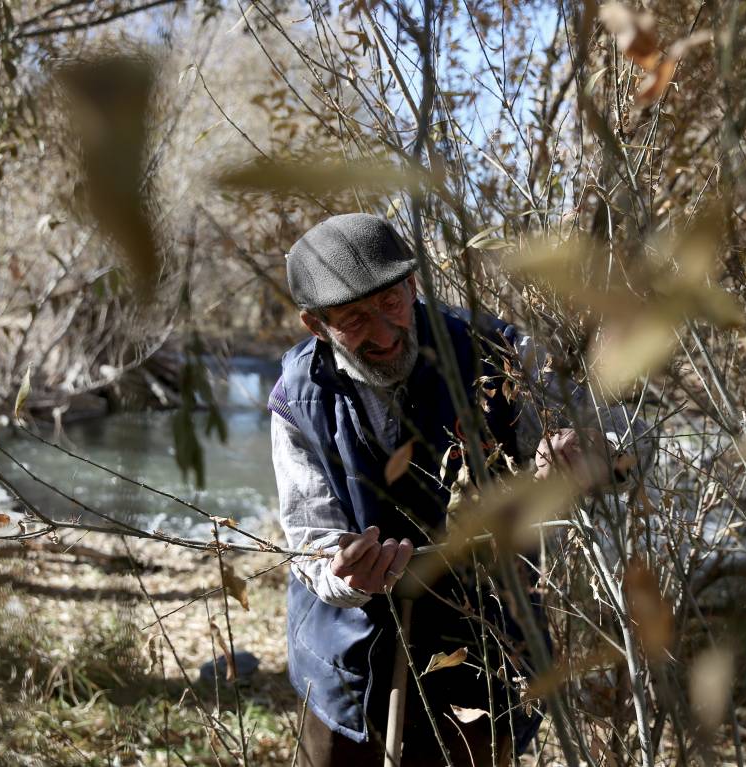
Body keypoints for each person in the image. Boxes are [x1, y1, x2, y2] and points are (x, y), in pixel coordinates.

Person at [269, 213, 647, 767]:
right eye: (353, 318)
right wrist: (344, 577)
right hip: (349, 655)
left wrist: (590, 450)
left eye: (390, 304)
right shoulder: (296, 398)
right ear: (315, 324)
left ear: (412, 287)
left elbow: (629, 439)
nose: (383, 332)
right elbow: (311, 542)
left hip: (484, 637)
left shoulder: (498, 352)